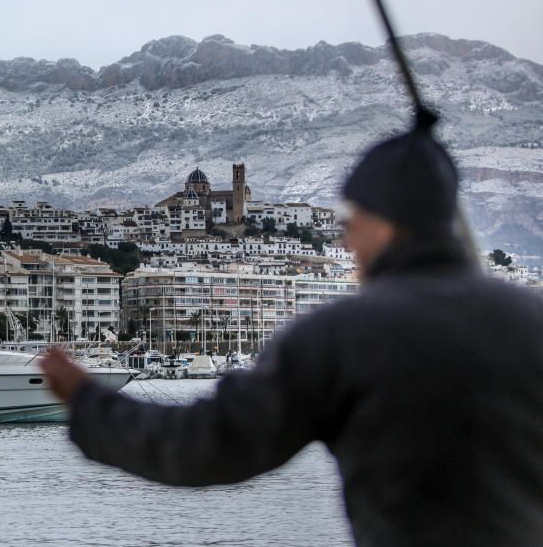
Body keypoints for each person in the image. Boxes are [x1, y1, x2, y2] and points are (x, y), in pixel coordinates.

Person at [41, 124, 543, 546]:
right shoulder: (531, 320)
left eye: (354, 222)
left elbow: (213, 444)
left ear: (385, 224)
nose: (345, 240)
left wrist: (88, 402)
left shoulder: (343, 335)